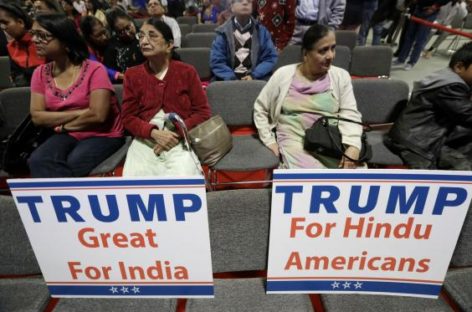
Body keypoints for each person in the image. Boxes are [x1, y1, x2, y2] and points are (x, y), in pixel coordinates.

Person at [254, 24, 364, 169]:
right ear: (305, 54)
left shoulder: (340, 76)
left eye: (333, 48)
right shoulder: (283, 75)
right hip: (294, 140)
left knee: (349, 177)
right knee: (311, 180)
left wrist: (353, 145)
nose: (331, 55)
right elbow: (260, 108)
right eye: (323, 50)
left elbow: (350, 113)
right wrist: (269, 141)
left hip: (329, 139)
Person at [28, 14, 124, 177]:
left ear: (65, 41)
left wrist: (63, 123)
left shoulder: (94, 69)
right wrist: (80, 112)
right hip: (67, 133)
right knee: (37, 160)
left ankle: (61, 200)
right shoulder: (40, 73)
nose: (35, 40)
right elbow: (37, 117)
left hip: (102, 133)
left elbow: (98, 116)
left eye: (43, 36)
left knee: (72, 164)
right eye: (34, 34)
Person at [121, 18, 211, 176]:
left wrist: (175, 134)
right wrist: (154, 133)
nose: (144, 41)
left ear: (169, 45)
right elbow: (128, 117)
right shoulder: (132, 75)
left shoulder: (186, 72)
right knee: (137, 183)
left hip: (179, 136)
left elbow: (202, 113)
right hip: (146, 137)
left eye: (152, 36)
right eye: (141, 36)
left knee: (183, 181)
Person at [387, 42, 472, 170]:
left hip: (434, 135)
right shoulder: (451, 86)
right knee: (461, 171)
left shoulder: (451, 78)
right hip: (417, 142)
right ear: (459, 67)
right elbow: (467, 115)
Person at [210, 0, 278, 81]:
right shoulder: (222, 32)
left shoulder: (262, 32)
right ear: (231, 7)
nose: (245, 3)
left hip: (256, 79)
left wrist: (253, 75)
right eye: (240, 0)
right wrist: (232, 78)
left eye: (249, 1)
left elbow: (270, 58)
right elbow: (217, 62)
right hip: (228, 80)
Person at [392, 0, 451, 71]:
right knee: (409, 36)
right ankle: (401, 59)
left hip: (430, 11)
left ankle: (411, 62)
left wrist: (435, 6)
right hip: (418, 8)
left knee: (420, 39)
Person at [0, 2, 45, 87]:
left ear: (20, 22)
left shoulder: (43, 42)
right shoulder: (10, 47)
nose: (3, 27)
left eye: (5, 23)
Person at [80, 15, 124, 81]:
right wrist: (121, 76)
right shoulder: (86, 50)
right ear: (89, 37)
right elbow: (99, 68)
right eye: (98, 35)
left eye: (104, 32)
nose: (104, 37)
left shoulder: (109, 40)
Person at [104, 8, 145, 75]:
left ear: (131, 21)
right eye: (120, 32)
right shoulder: (112, 46)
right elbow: (108, 71)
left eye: (128, 27)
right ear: (115, 32)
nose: (127, 34)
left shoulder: (144, 35)